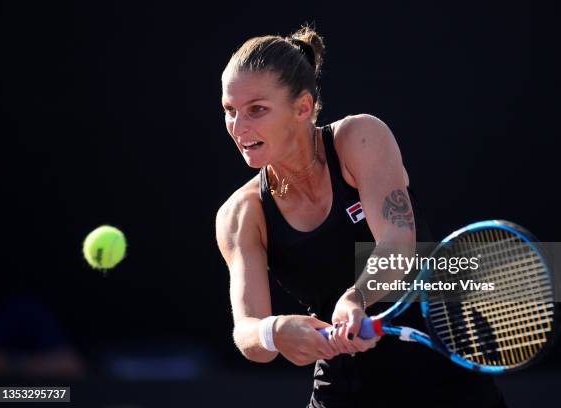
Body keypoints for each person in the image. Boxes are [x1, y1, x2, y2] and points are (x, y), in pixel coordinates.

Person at [215, 26, 506, 407]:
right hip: (346, 389)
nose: (239, 127)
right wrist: (276, 332)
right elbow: (249, 332)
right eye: (230, 111)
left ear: (302, 108)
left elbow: (399, 243)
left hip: (442, 373)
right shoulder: (241, 214)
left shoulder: (360, 138)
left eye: (257, 109)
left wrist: (358, 297)